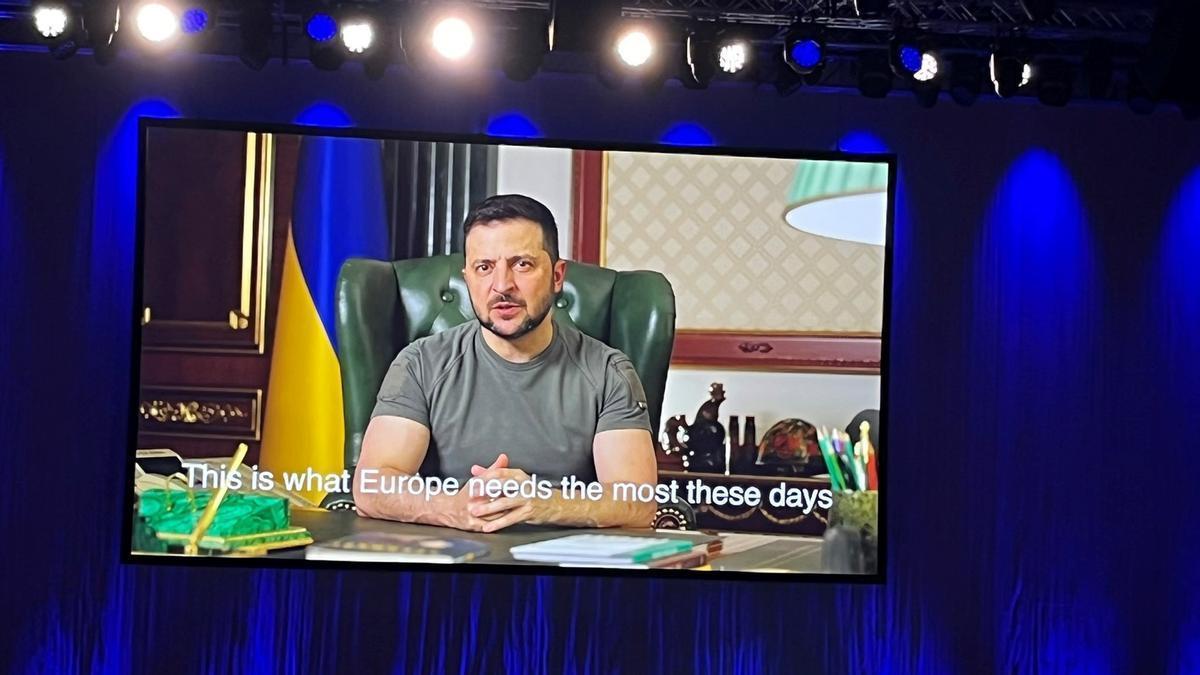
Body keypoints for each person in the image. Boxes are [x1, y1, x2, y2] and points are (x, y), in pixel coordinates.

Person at [353, 194, 658, 532]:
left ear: (557, 277)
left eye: (522, 264)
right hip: (450, 561)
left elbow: (637, 502)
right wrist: (450, 507)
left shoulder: (608, 372)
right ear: (467, 277)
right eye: (484, 268)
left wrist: (544, 503)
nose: (502, 286)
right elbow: (371, 486)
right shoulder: (419, 363)